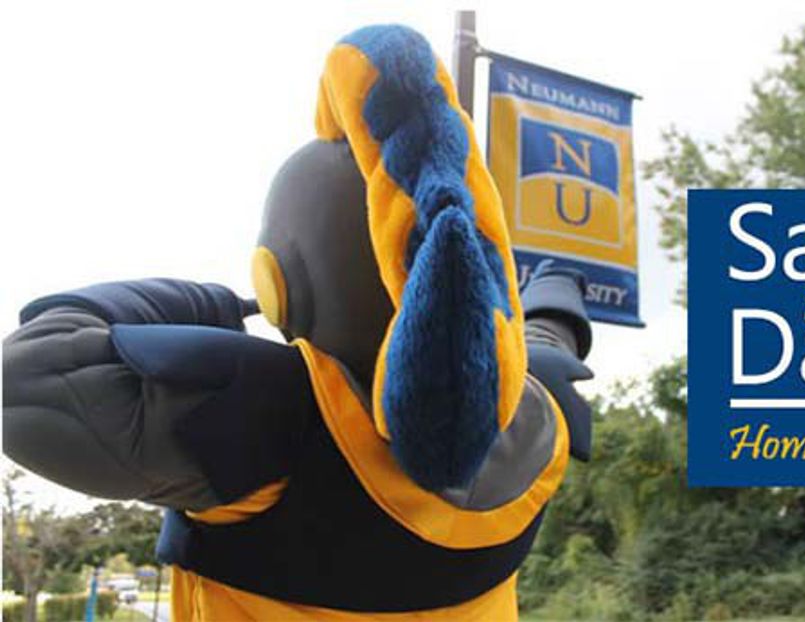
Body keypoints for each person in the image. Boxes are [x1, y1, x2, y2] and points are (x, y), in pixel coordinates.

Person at [3, 24, 593, 620]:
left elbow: (24, 379)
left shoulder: (261, 421)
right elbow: (543, 341)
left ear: (276, 285)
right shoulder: (535, 429)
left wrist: (203, 304)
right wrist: (553, 297)